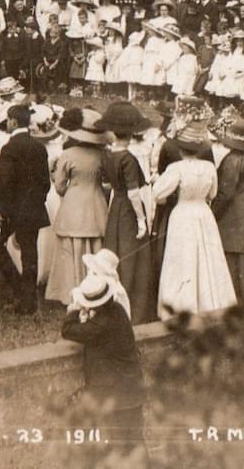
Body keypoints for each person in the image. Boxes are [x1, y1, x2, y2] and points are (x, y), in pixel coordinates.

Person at [153, 121, 236, 318]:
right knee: (207, 256)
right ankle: (210, 302)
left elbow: (158, 193)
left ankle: (183, 305)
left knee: (183, 258)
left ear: (181, 149)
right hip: (203, 212)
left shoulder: (176, 168)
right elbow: (213, 194)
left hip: (182, 213)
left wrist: (168, 195)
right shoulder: (209, 167)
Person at [61, 273, 147, 454]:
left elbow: (68, 330)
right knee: (136, 443)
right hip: (132, 389)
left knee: (118, 447)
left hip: (116, 396)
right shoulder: (117, 310)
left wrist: (75, 309)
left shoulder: (99, 325)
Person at [98, 101, 158, 324]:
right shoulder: (128, 158)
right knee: (133, 253)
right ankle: (135, 307)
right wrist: (142, 219)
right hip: (128, 208)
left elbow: (106, 183)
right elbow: (134, 193)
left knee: (116, 249)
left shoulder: (109, 155)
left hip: (116, 205)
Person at [0, 104, 52, 314]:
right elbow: (45, 183)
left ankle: (18, 289)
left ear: (13, 122)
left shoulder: (10, 148)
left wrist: (1, 209)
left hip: (13, 209)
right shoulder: (39, 147)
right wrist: (36, 201)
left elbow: (3, 181)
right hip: (33, 208)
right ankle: (29, 299)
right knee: (30, 253)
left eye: (8, 120)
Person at [45, 109, 109, 305]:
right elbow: (106, 181)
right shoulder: (103, 155)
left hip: (73, 203)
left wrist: (69, 192)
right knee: (95, 245)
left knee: (70, 247)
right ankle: (96, 289)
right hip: (96, 202)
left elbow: (59, 185)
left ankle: (67, 291)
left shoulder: (68, 154)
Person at [212, 117, 244, 302]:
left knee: (230, 254)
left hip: (232, 211)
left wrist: (213, 213)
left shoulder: (232, 160)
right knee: (242, 255)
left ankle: (232, 298)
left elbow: (226, 193)